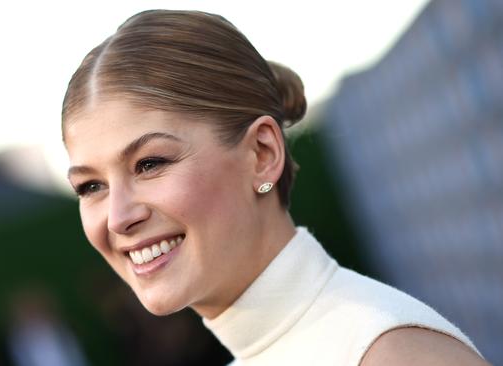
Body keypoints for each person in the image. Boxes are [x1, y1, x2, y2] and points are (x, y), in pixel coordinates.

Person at [60, 9, 490, 365]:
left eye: (150, 163)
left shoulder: (390, 354)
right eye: (91, 186)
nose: (117, 217)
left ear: (262, 154)